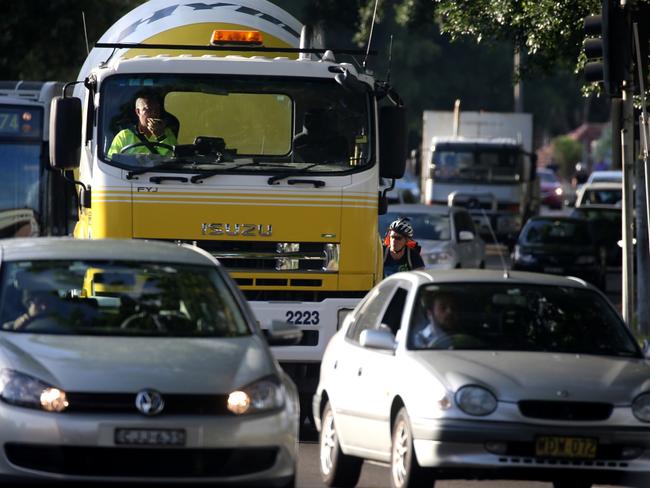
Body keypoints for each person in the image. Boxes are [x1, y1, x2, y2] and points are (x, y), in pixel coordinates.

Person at [107, 92, 177, 158]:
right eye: (148, 110)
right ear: (138, 112)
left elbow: (173, 159)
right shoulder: (124, 136)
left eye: (157, 110)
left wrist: (161, 136)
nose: (154, 114)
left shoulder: (167, 133)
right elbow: (111, 159)